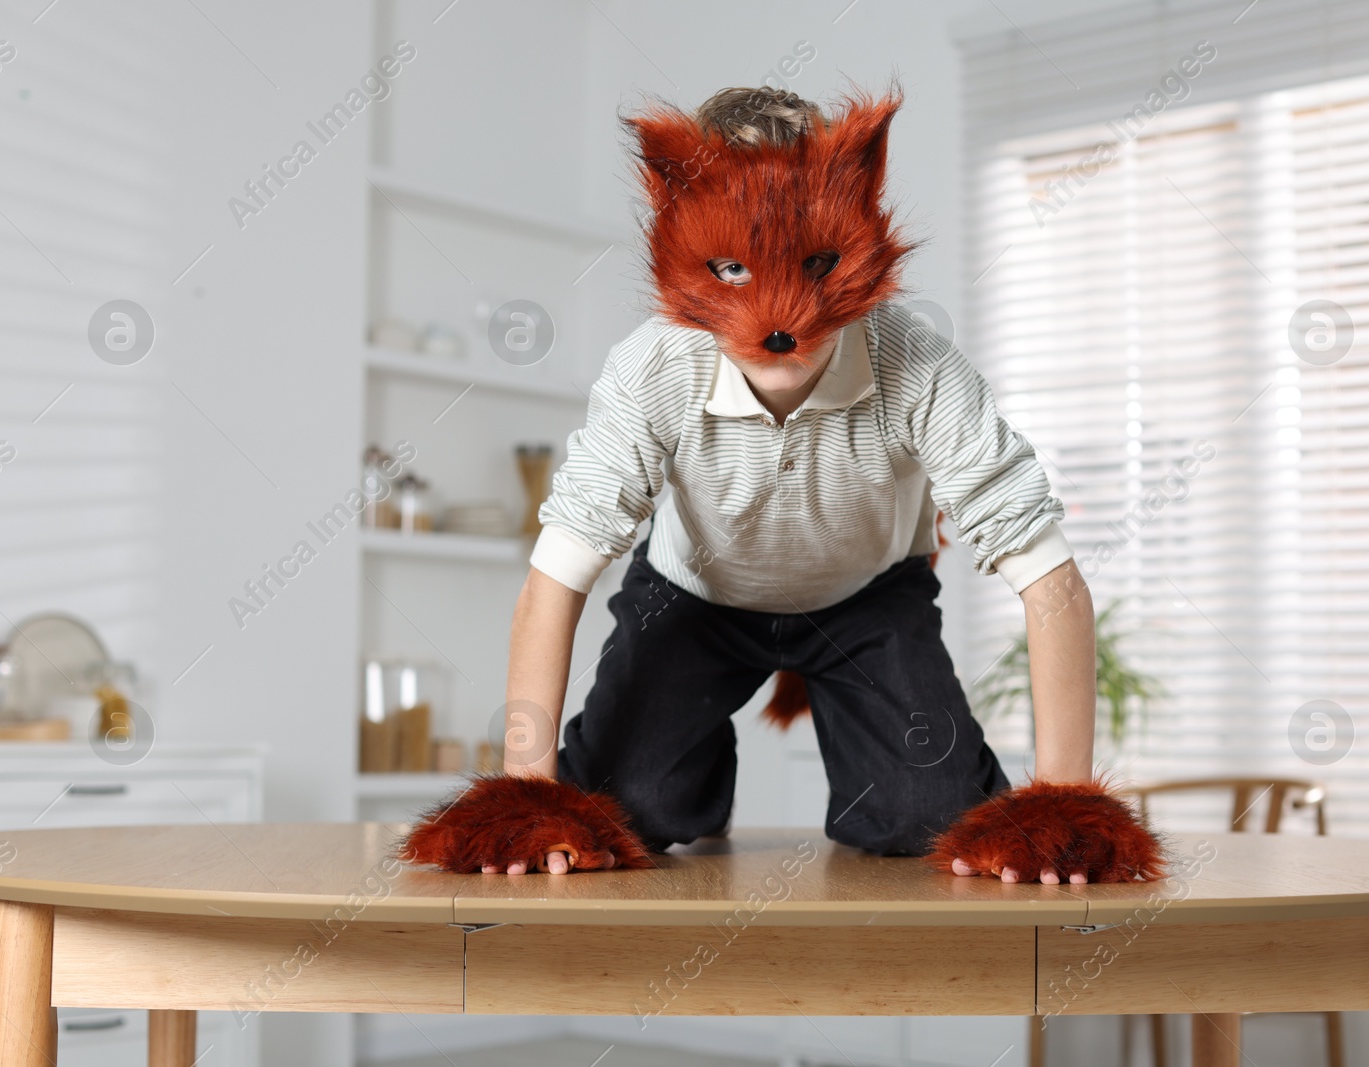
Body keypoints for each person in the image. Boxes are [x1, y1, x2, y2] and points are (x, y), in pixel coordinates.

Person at [401, 85, 1163, 886]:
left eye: (816, 265)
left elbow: (1049, 575)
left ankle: (841, 760)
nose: (780, 317)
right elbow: (555, 577)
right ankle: (684, 747)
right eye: (733, 268)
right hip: (694, 594)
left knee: (925, 816)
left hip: (868, 601)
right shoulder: (651, 367)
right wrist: (527, 796)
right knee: (632, 806)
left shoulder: (921, 368)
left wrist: (1067, 808)